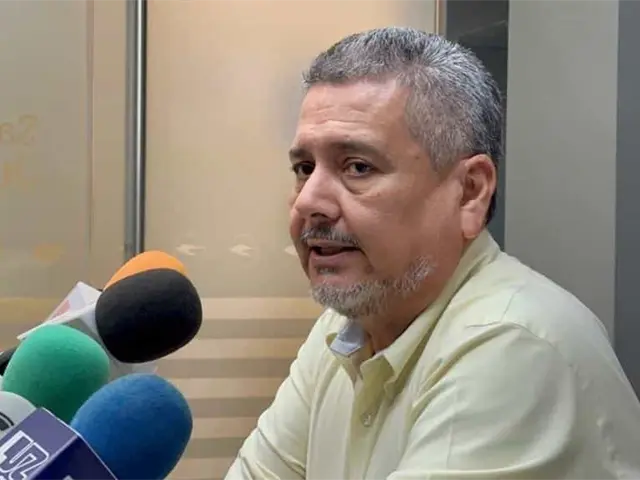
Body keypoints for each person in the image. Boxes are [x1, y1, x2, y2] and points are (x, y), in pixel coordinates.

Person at [225, 27, 640, 479]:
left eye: (358, 167)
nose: (308, 201)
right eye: (304, 168)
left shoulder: (512, 342)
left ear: (469, 192)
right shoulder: (343, 331)